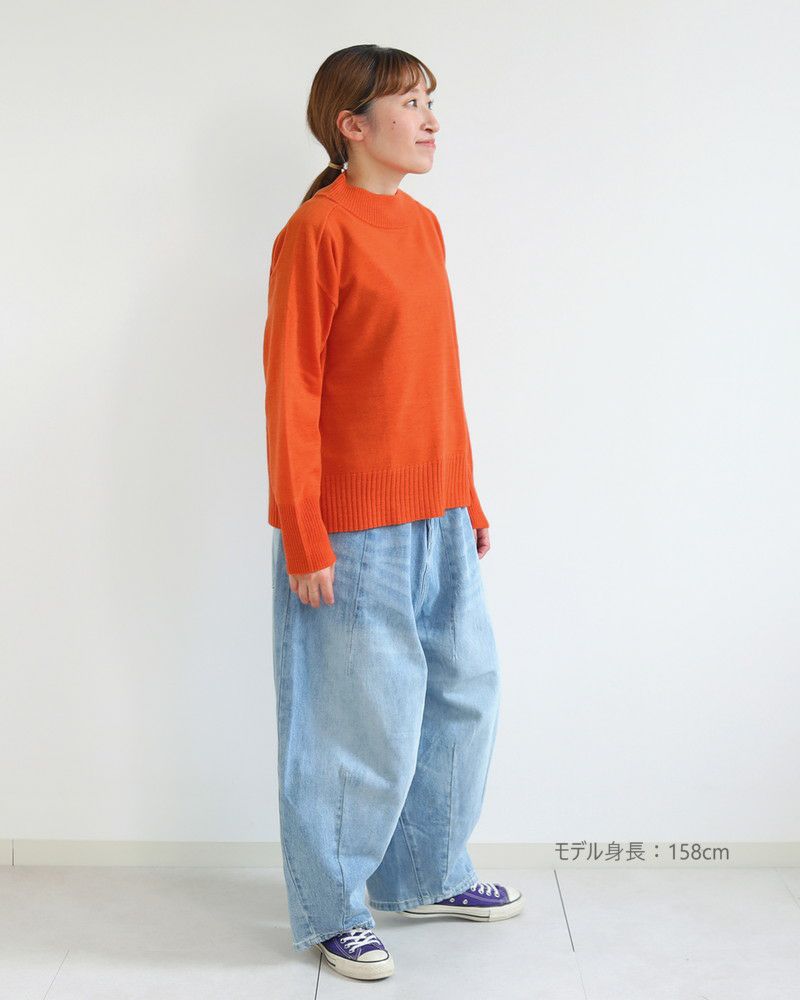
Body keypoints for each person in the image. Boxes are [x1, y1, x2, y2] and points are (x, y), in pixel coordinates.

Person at [262, 44, 522, 981]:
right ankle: (335, 909)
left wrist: (466, 492)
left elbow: (434, 377)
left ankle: (425, 873)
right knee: (355, 726)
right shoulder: (318, 232)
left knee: (463, 695)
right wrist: (304, 530)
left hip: (438, 510)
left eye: (429, 102)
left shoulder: (423, 226)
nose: (430, 120)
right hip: (351, 529)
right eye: (410, 104)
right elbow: (291, 389)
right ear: (353, 124)